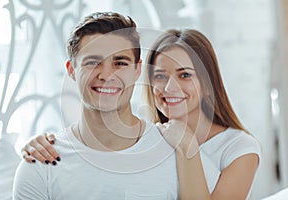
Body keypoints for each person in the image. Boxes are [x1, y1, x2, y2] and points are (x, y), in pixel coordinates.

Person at [20, 26, 261, 199]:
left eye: (184, 75)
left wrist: (187, 145)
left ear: (208, 84)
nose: (169, 88)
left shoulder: (238, 147)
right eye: (159, 76)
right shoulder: (156, 135)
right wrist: (39, 142)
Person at [13, 12, 179, 200]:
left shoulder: (174, 151)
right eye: (93, 63)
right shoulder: (41, 165)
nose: (106, 75)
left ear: (137, 70)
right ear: (71, 70)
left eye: (120, 63)